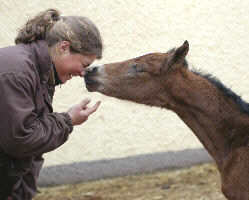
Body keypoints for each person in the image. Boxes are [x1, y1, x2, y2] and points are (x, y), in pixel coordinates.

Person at [0, 8, 103, 200]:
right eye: (84, 65)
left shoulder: (40, 72)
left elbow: (28, 153)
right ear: (63, 47)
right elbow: (22, 140)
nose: (83, 74)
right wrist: (68, 120)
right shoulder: (17, 73)